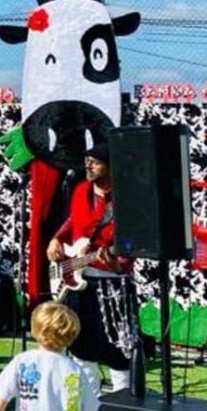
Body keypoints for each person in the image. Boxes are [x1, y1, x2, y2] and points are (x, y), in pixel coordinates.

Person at [46, 144, 136, 393]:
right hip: (77, 282)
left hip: (111, 283)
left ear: (111, 166)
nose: (88, 165)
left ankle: (123, 404)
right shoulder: (80, 190)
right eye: (87, 160)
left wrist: (118, 264)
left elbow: (132, 241)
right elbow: (73, 220)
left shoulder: (126, 199)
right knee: (80, 346)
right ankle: (90, 405)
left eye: (95, 161)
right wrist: (56, 238)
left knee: (118, 348)